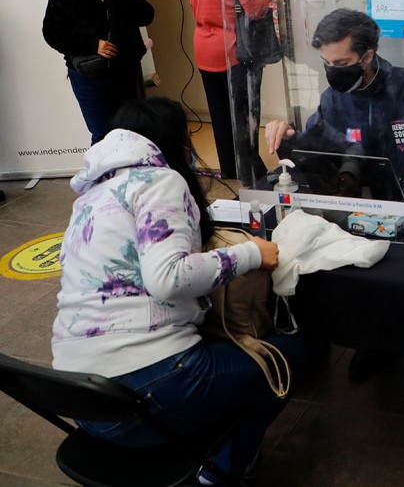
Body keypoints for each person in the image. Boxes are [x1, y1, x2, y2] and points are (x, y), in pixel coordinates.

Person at [52, 97, 306, 484]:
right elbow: (168, 277)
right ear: (172, 140)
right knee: (287, 356)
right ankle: (223, 471)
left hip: (83, 401)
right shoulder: (159, 180)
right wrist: (251, 254)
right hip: (147, 392)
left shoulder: (91, 195)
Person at [265, 9, 404, 196]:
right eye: (326, 63)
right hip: (357, 206)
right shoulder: (333, 99)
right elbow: (317, 152)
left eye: (341, 64)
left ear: (366, 58)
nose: (332, 70)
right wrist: (289, 138)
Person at [42, 0, 154, 145]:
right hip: (88, 77)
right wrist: (91, 44)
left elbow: (146, 16)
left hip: (126, 72)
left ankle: (132, 169)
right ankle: (103, 169)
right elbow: (52, 34)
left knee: (131, 130)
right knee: (102, 134)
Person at [190, 0, 275, 186]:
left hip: (204, 49)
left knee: (220, 116)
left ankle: (228, 169)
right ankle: (251, 173)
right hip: (234, 51)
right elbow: (255, 10)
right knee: (244, 117)